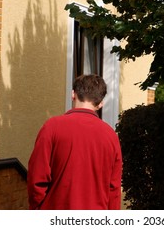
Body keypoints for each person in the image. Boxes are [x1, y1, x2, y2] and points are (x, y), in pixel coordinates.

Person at [27, 74, 123, 210]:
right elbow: (113, 189)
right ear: (101, 103)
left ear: (73, 94)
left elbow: (37, 177)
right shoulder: (111, 136)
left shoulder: (52, 127)